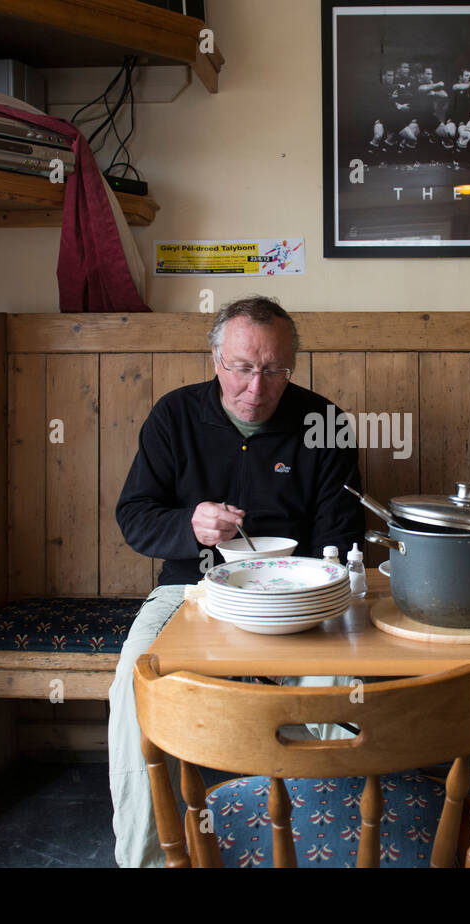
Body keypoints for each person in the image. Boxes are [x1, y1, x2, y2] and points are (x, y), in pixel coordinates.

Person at [109, 297, 366, 866]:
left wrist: (293, 604)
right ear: (216, 360)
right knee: (135, 683)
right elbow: (134, 516)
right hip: (189, 590)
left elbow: (343, 536)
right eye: (243, 367)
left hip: (299, 594)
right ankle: (149, 859)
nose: (257, 386)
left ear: (291, 366)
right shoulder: (173, 416)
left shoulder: (325, 423)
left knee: (335, 682)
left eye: (274, 370)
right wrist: (189, 524)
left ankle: (317, 844)